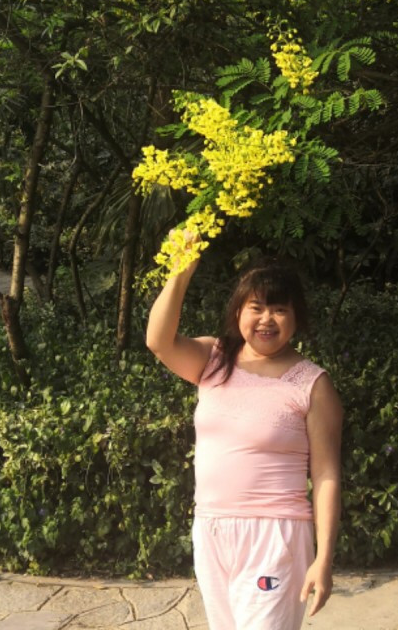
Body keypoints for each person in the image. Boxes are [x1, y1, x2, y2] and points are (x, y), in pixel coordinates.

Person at [146, 245, 343, 630]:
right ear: (238, 312)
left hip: (275, 534)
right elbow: (158, 341)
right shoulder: (213, 359)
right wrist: (180, 273)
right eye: (256, 307)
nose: (266, 319)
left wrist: (324, 559)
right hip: (212, 527)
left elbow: (326, 475)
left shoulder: (313, 385)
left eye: (279, 309)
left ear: (296, 318)